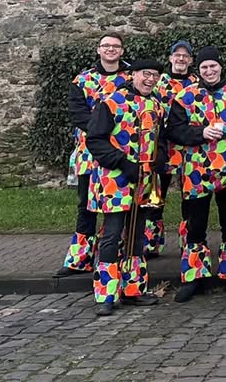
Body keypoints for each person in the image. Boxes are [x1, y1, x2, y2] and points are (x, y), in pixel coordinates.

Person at [166, 46, 226, 302]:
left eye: (213, 66)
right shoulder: (184, 96)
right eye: (204, 67)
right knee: (195, 225)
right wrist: (200, 133)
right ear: (198, 69)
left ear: (221, 67)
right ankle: (193, 277)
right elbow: (174, 131)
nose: (209, 71)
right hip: (196, 171)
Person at [84, 58, 165, 316]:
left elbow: (160, 140)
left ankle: (134, 289)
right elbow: (95, 140)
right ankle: (106, 294)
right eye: (146, 74)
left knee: (136, 236)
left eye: (155, 75)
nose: (150, 79)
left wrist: (158, 161)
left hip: (144, 180)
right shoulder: (110, 102)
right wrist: (122, 162)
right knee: (112, 234)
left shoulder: (156, 105)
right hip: (114, 179)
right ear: (133, 75)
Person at [55, 32, 129, 279]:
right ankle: (80, 258)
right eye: (106, 46)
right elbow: (77, 114)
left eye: (115, 46)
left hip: (121, 152)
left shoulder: (129, 79)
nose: (110, 50)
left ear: (122, 51)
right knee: (86, 206)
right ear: (98, 50)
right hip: (89, 154)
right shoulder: (82, 80)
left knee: (119, 208)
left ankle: (114, 254)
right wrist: (102, 130)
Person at [149, 39, 197, 258]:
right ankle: (151, 242)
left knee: (190, 198)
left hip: (188, 148)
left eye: (185, 56)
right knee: (156, 195)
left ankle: (187, 241)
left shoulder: (196, 83)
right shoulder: (158, 82)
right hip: (162, 146)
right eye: (177, 55)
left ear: (190, 60)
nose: (181, 59)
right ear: (170, 58)